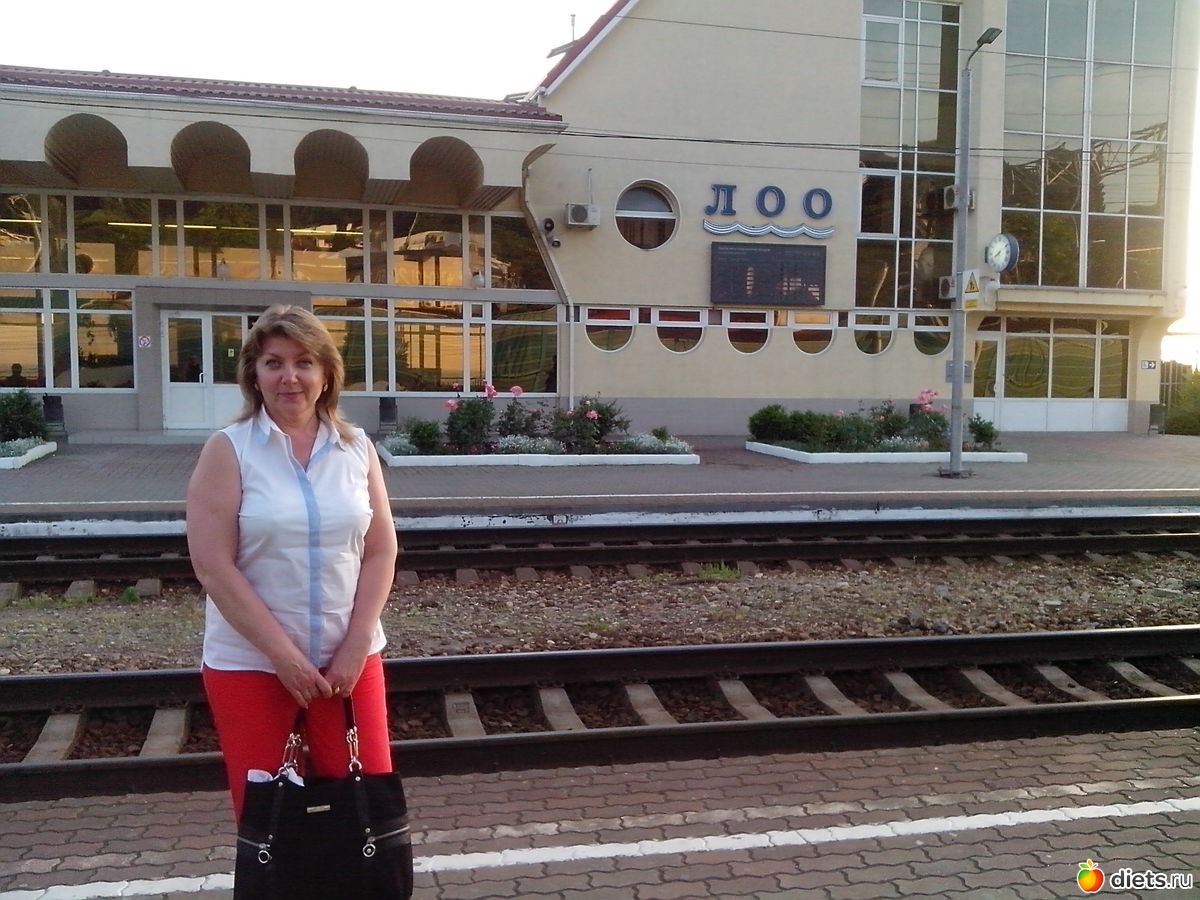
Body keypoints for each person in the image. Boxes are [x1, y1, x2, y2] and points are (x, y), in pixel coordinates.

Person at [186, 304, 399, 819]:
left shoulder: (356, 448)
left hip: (347, 664)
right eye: (273, 363)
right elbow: (213, 566)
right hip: (254, 665)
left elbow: (380, 549)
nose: (290, 377)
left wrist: (356, 644)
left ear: (326, 374)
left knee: (366, 809)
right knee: (271, 819)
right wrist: (284, 657)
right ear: (254, 375)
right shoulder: (228, 450)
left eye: (304, 362)